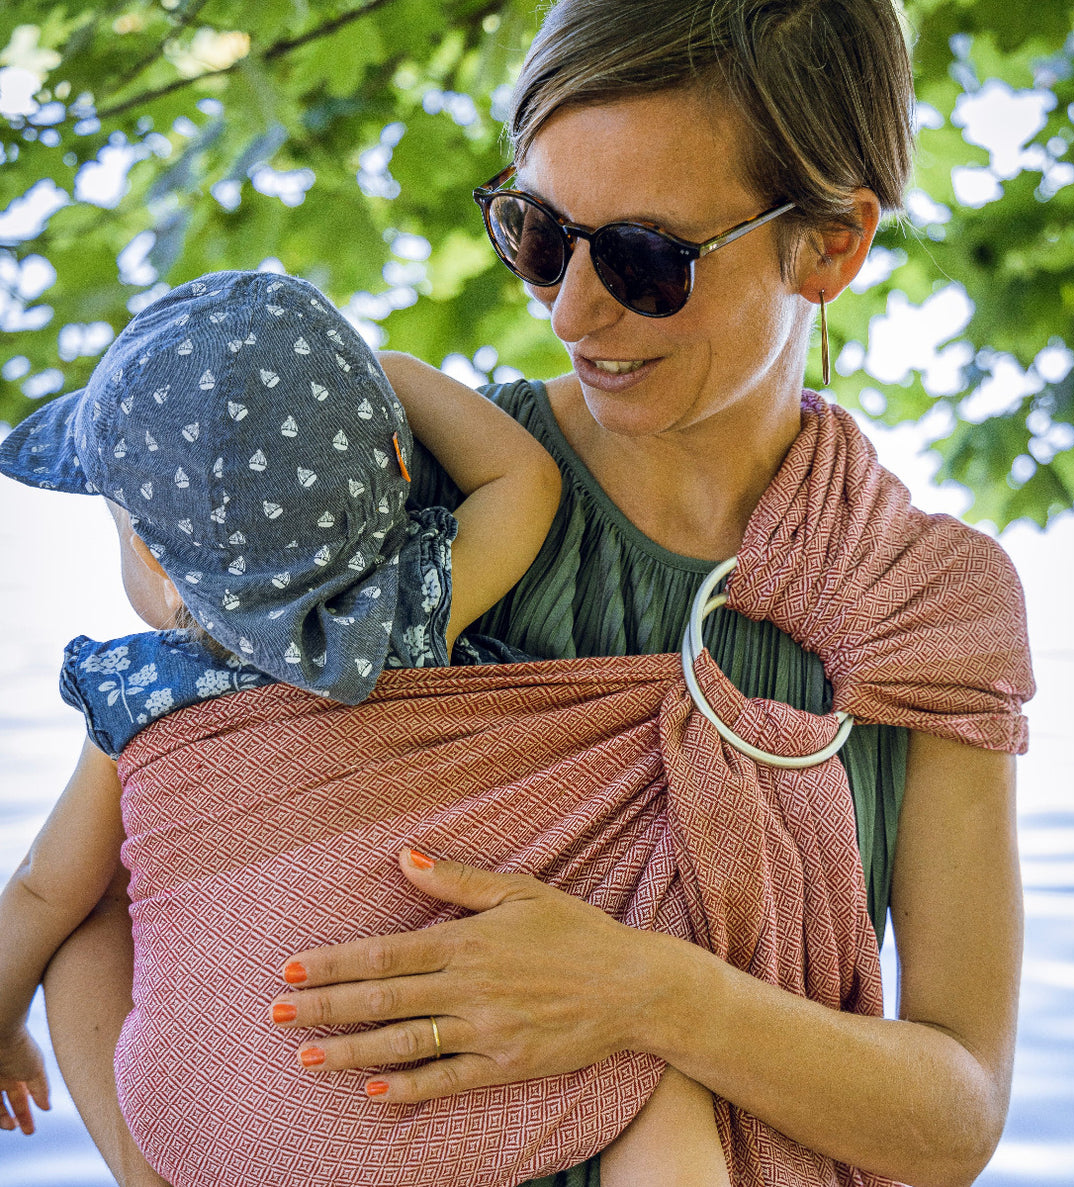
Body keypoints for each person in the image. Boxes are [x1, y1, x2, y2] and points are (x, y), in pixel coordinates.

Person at [36, 1, 1035, 1185]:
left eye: (647, 259)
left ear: (831, 245)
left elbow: (957, 1112)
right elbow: (100, 889)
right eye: (540, 233)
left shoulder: (923, 608)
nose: (571, 312)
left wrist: (652, 997)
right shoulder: (402, 496)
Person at [0, 269, 738, 1186]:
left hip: (213, 1126)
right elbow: (524, 478)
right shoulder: (409, 611)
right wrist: (387, 372)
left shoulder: (138, 697)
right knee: (656, 1076)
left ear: (150, 554)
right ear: (395, 464)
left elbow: (40, 891)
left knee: (85, 928)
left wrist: (2, 1029)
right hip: (444, 1093)